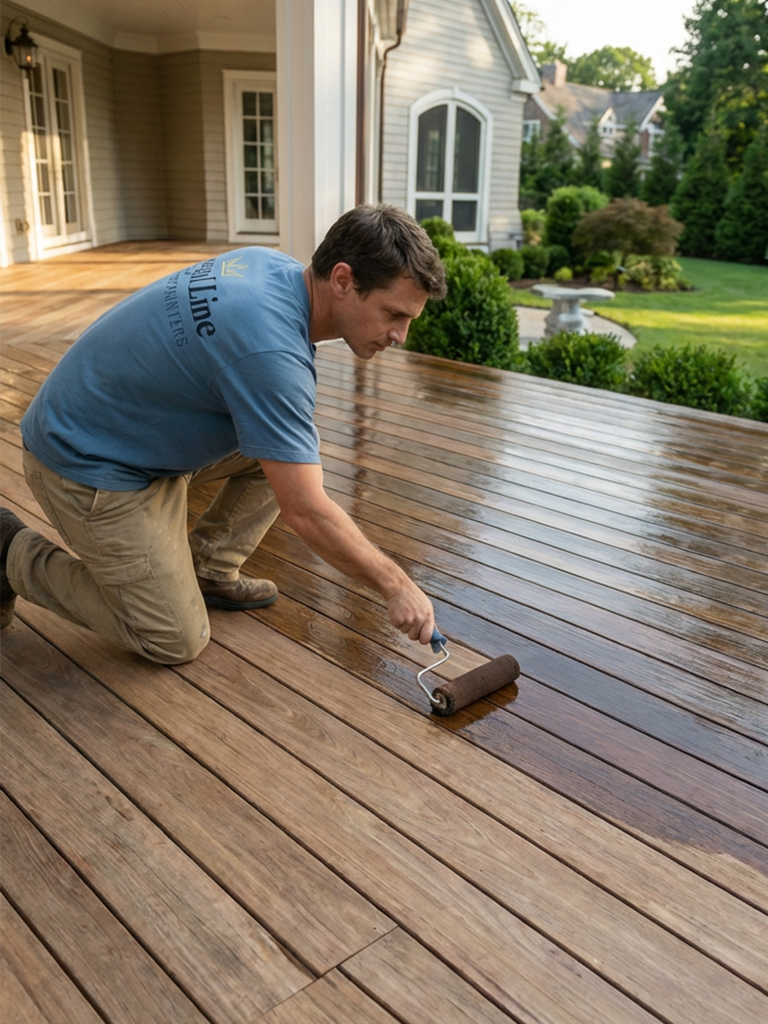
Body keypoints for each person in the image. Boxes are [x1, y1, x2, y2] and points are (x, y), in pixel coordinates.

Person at [0, 204, 447, 663]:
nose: (401, 336)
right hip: (85, 464)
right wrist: (397, 585)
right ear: (342, 280)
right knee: (172, 638)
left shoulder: (271, 267)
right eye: (394, 314)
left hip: (116, 423)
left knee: (290, 447)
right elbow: (306, 511)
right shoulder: (271, 355)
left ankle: (209, 569)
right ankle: (8, 552)